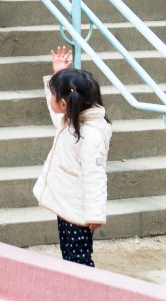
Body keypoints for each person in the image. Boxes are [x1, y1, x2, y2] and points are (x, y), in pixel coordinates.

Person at [33, 45, 111, 267]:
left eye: (53, 95)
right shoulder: (72, 120)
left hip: (79, 212)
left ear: (65, 103)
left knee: (79, 260)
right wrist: (58, 73)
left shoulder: (90, 135)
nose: (50, 100)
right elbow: (56, 112)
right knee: (69, 257)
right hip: (67, 205)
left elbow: (95, 176)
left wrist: (95, 215)